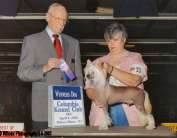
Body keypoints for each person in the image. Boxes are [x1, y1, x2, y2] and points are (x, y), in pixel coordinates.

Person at [17, 3, 83, 130]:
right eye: (59, 19)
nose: (62, 23)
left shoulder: (73, 43)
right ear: (47, 17)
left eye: (65, 20)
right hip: (43, 112)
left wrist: (79, 104)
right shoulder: (32, 41)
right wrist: (45, 67)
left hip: (69, 112)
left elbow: (78, 77)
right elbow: (22, 73)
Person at [85, 22, 148, 127]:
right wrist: (98, 97)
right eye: (109, 41)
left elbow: (135, 81)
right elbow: (89, 88)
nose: (111, 44)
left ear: (124, 40)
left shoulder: (135, 58)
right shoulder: (96, 62)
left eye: (115, 40)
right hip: (101, 114)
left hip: (129, 112)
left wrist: (111, 69)